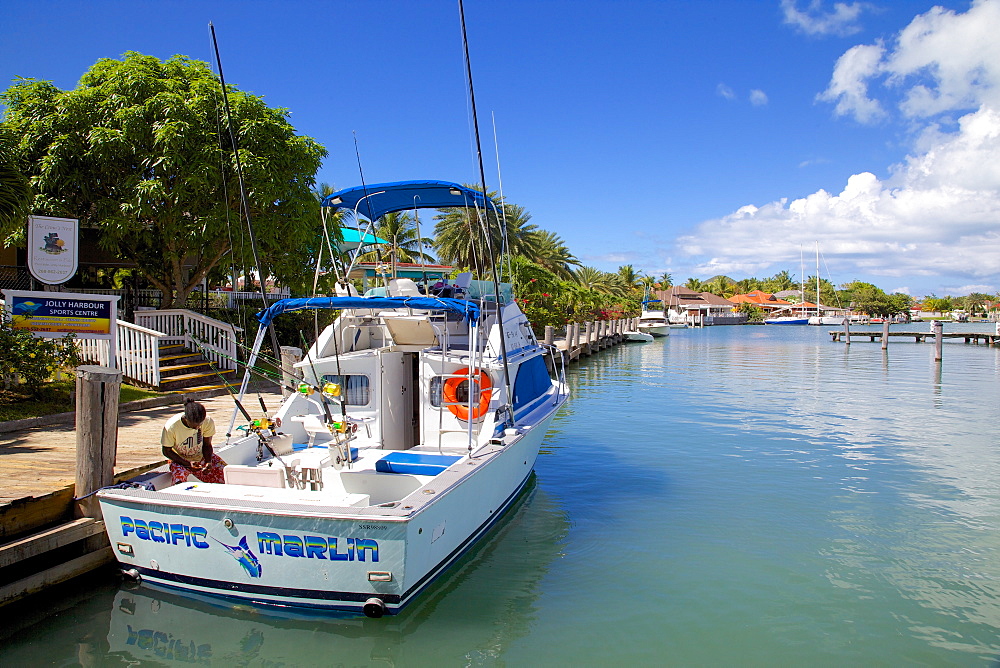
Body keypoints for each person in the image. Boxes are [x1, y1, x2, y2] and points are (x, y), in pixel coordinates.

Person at [161, 397, 226, 484]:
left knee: (228, 474)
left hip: (201, 457)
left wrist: (208, 462)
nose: (197, 428)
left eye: (200, 425)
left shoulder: (208, 421)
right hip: (179, 461)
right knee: (179, 480)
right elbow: (166, 451)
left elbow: (207, 445)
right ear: (186, 419)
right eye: (194, 426)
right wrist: (187, 464)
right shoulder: (171, 427)